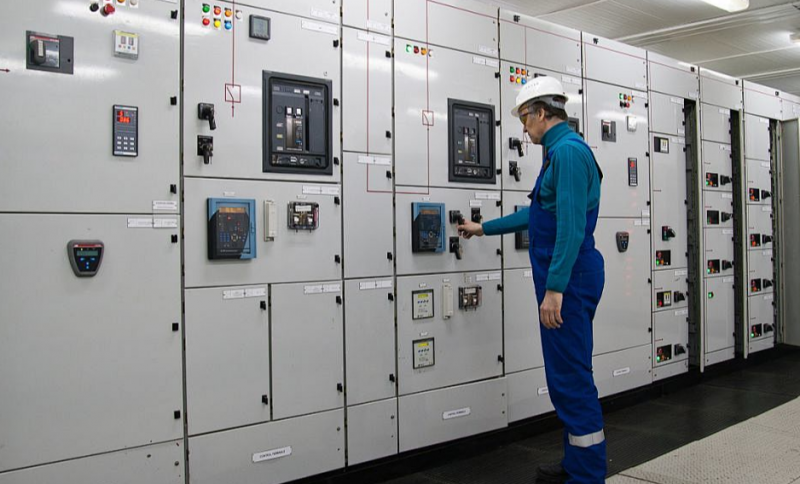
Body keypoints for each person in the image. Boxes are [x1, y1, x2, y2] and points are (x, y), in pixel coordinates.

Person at [457, 77, 606, 484]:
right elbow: (538, 215)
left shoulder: (569, 153)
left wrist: (555, 289)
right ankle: (576, 464)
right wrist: (483, 228)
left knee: (571, 379)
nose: (523, 128)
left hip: (569, 282)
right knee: (564, 377)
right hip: (568, 278)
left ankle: (588, 476)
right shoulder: (559, 152)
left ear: (541, 112)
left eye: (524, 118)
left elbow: (571, 227)